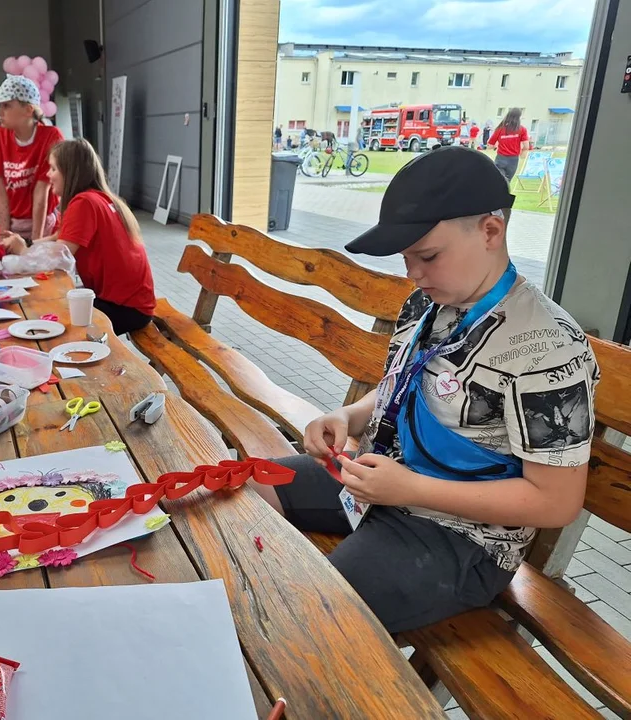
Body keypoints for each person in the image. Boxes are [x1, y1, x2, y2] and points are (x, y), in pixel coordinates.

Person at [250, 147, 599, 633]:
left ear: (490, 231)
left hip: (461, 538)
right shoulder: (430, 302)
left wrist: (410, 488)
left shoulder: (546, 349)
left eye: (427, 256)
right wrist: (348, 418)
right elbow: (409, 381)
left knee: (310, 619)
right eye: (406, 258)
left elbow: (557, 502)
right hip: (383, 483)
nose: (412, 274)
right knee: (250, 487)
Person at [2, 139, 155, 336]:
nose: (49, 175)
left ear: (70, 172)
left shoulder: (84, 203)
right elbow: (59, 238)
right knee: (49, 308)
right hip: (133, 304)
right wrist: (26, 244)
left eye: (53, 168)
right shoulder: (101, 198)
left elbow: (57, 259)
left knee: (45, 320)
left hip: (125, 309)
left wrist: (22, 251)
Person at [0, 75, 64, 241]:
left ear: (28, 110)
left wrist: (35, 243)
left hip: (43, 224)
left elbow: (42, 191)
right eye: (0, 105)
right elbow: (1, 191)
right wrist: (5, 236)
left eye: (6, 105)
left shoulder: (51, 136)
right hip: (13, 223)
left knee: (39, 265)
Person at [488, 108, 529, 182]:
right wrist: (523, 153)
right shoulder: (522, 129)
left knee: (498, 180)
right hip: (513, 159)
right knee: (507, 182)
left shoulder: (500, 129)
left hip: (501, 158)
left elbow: (490, 145)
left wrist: (496, 145)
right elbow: (526, 146)